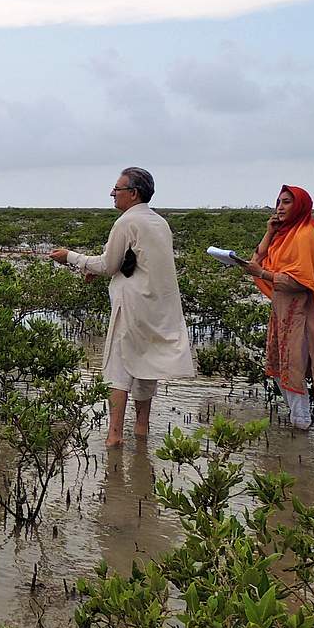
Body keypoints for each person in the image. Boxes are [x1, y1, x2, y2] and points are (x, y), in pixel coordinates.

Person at [49, 167, 194, 447]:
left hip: (131, 308)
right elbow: (136, 262)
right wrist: (102, 269)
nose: (112, 194)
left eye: (117, 189)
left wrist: (71, 257)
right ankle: (141, 430)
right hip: (158, 308)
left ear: (133, 193)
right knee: (146, 367)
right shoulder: (160, 223)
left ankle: (113, 435)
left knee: (118, 370)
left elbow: (109, 264)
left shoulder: (126, 222)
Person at [238, 185, 314, 430]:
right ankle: (297, 419)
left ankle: (301, 423)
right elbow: (256, 261)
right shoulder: (285, 234)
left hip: (301, 311)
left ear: (299, 205)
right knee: (279, 364)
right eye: (278, 202)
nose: (280, 207)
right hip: (282, 310)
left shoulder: (307, 235)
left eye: (286, 202)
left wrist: (263, 273)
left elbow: (301, 281)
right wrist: (269, 233)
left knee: (294, 365)